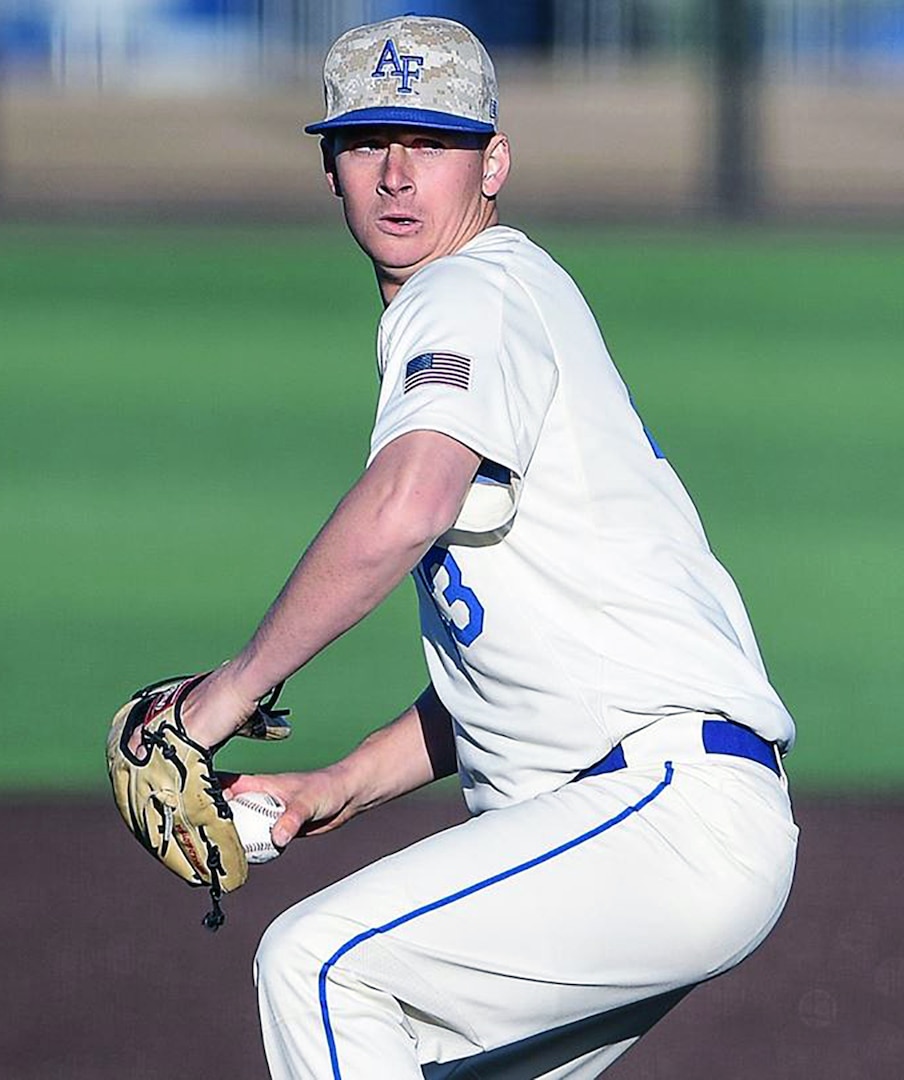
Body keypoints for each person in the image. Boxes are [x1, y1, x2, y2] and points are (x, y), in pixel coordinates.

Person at [173, 15, 799, 1079]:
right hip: (634, 822)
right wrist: (339, 785)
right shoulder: (496, 302)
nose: (398, 174)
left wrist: (223, 698)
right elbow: (517, 672)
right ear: (330, 166)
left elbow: (405, 505)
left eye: (433, 140)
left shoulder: (470, 291)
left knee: (320, 969)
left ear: (493, 160)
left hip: (660, 811)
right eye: (369, 140)